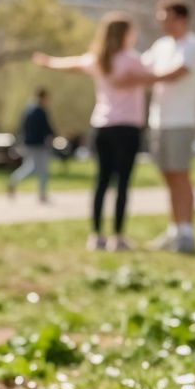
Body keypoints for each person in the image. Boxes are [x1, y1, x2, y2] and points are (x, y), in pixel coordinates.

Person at [33, 13, 158, 251]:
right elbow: (153, 76)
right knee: (122, 182)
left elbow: (71, 64)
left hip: (102, 127)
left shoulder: (98, 59)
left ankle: (96, 235)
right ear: (125, 34)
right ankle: (118, 237)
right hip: (128, 128)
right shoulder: (131, 59)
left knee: (101, 181)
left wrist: (48, 61)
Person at [142, 0, 195, 254]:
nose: (162, 24)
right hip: (159, 119)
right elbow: (141, 65)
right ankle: (174, 229)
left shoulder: (193, 45)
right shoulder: (161, 45)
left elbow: (176, 73)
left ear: (181, 19)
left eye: (165, 19)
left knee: (181, 175)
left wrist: (142, 77)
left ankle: (187, 232)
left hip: (181, 120)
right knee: (168, 176)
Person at [7, 88, 55, 204]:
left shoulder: (27, 110)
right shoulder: (40, 111)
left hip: (28, 144)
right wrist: (53, 136)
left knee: (31, 167)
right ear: (43, 97)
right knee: (43, 170)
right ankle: (42, 195)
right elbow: (47, 128)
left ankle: (13, 181)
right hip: (39, 144)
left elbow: (22, 127)